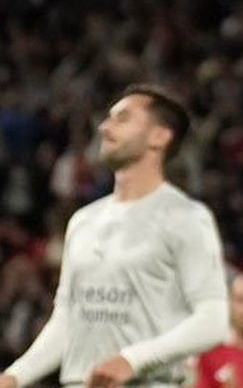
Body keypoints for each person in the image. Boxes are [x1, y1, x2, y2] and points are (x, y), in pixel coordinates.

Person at [0, 84, 230, 388]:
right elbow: (67, 319)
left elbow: (213, 320)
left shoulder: (186, 217)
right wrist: (15, 376)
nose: (104, 127)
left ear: (159, 136)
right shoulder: (83, 221)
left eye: (122, 118)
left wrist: (132, 360)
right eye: (108, 118)